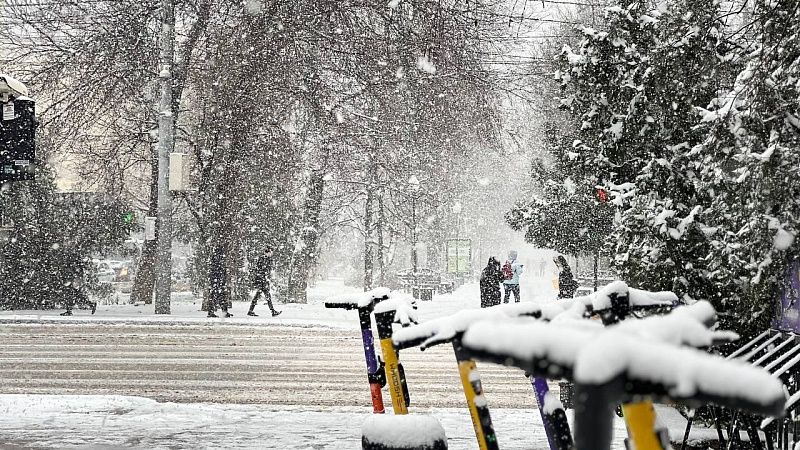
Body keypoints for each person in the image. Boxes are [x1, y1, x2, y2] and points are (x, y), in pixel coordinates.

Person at [248, 247, 281, 317]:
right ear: (267, 252)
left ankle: (251, 311)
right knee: (264, 296)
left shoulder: (266, 259)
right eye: (270, 252)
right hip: (262, 281)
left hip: (263, 280)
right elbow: (261, 270)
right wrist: (263, 279)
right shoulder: (263, 259)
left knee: (261, 296)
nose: (271, 254)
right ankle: (272, 311)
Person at [208, 245, 232, 318]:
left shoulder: (215, 259)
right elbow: (220, 271)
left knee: (217, 296)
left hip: (216, 281)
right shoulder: (219, 260)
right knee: (220, 297)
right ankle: (223, 312)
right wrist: (222, 279)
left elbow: (216, 271)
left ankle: (218, 311)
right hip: (218, 281)